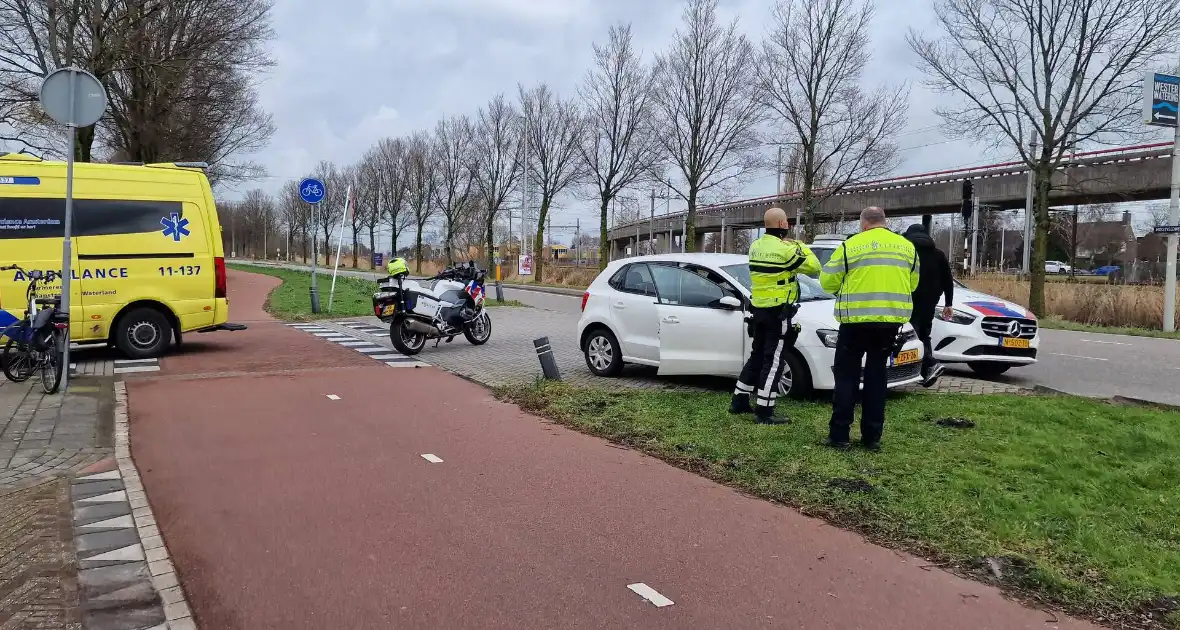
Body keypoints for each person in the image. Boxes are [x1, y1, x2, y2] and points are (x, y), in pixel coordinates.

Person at [819, 207, 919, 451]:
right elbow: (913, 283)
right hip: (889, 324)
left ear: (863, 224)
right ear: (885, 222)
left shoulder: (850, 246)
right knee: (877, 378)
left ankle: (840, 435)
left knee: (846, 377)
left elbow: (827, 281)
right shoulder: (907, 247)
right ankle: (872, 438)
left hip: (854, 323)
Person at [729, 207, 820, 425]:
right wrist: (799, 244)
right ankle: (765, 411)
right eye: (787, 222)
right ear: (781, 225)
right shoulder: (786, 250)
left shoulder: (755, 246)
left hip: (759, 310)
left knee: (757, 355)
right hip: (778, 312)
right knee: (774, 360)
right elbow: (815, 267)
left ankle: (739, 400)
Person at [902, 224, 954, 387]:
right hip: (930, 301)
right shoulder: (938, 254)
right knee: (924, 334)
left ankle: (930, 363)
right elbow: (948, 280)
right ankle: (926, 373)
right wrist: (948, 303)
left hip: (909, 299)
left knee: (913, 335)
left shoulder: (906, 252)